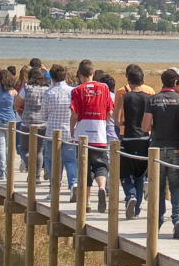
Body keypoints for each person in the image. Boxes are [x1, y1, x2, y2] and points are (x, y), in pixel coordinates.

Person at [142, 68, 179, 239]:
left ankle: (156, 221)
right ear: (175, 83)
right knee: (176, 185)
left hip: (157, 149)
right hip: (176, 148)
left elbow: (145, 127)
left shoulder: (153, 100)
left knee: (158, 187)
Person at [71, 69, 116, 212]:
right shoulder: (104, 88)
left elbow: (74, 113)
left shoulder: (77, 90)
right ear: (92, 74)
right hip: (99, 135)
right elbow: (110, 111)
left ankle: (87, 203)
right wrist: (104, 123)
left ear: (80, 75)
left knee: (84, 169)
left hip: (82, 135)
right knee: (101, 165)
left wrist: (72, 129)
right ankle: (102, 187)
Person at [116, 64, 153, 218]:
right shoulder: (149, 98)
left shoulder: (124, 97)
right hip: (144, 139)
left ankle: (130, 195)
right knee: (140, 175)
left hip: (128, 138)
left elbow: (117, 121)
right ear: (142, 81)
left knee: (125, 173)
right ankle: (136, 209)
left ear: (128, 80)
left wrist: (126, 122)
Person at [43, 64, 76, 189]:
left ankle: (54, 187)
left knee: (51, 160)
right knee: (71, 161)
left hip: (52, 132)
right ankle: (73, 185)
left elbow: (43, 115)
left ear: (52, 78)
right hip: (69, 132)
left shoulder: (48, 93)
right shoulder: (72, 92)